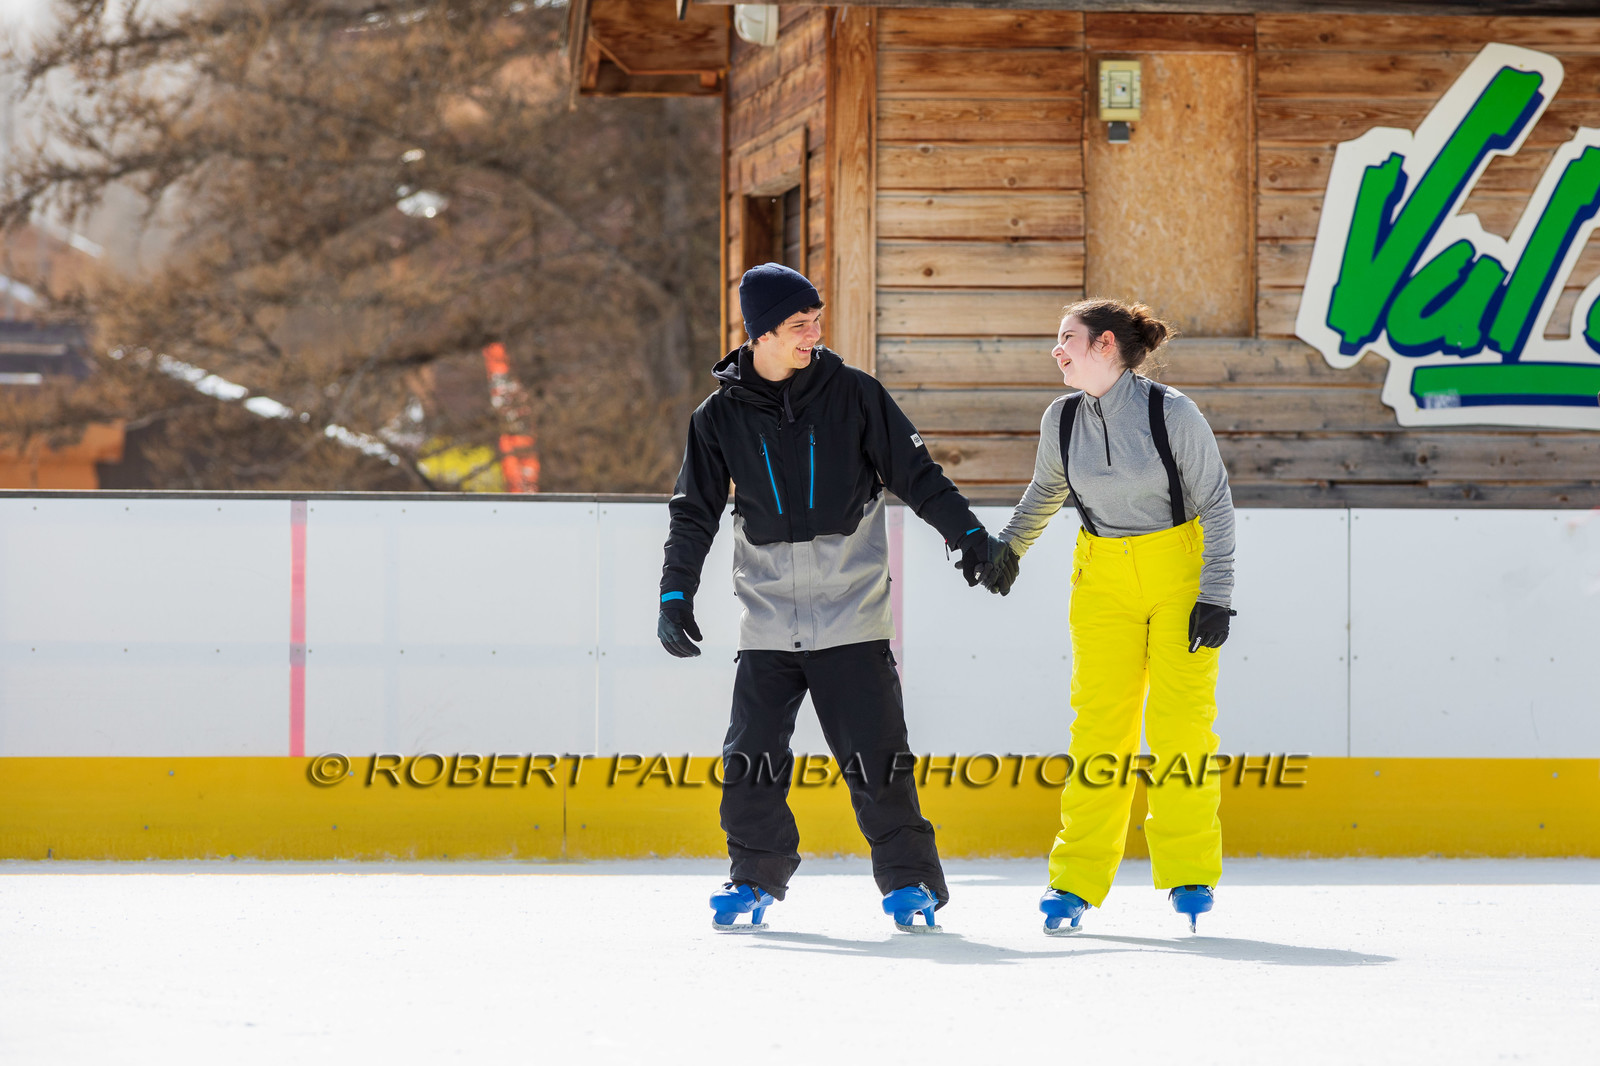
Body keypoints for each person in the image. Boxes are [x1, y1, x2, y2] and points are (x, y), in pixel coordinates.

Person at [658, 262, 1004, 933]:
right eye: (798, 324)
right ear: (759, 333)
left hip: (852, 613)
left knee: (879, 760)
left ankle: (910, 884)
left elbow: (919, 475)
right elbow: (692, 511)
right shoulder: (719, 417)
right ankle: (753, 877)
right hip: (767, 619)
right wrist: (676, 595)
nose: (813, 333)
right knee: (749, 760)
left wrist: (967, 537)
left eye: (816, 320)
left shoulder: (854, 395)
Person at [979, 297, 1237, 935]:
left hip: (1179, 573)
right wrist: (1009, 549)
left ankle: (1190, 871)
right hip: (1101, 580)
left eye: (1067, 337)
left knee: (1181, 728)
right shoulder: (1061, 419)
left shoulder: (1170, 412)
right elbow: (1047, 489)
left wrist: (1217, 592)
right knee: (1099, 732)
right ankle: (1075, 881)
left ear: (1105, 346)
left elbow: (1217, 502)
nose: (1057, 349)